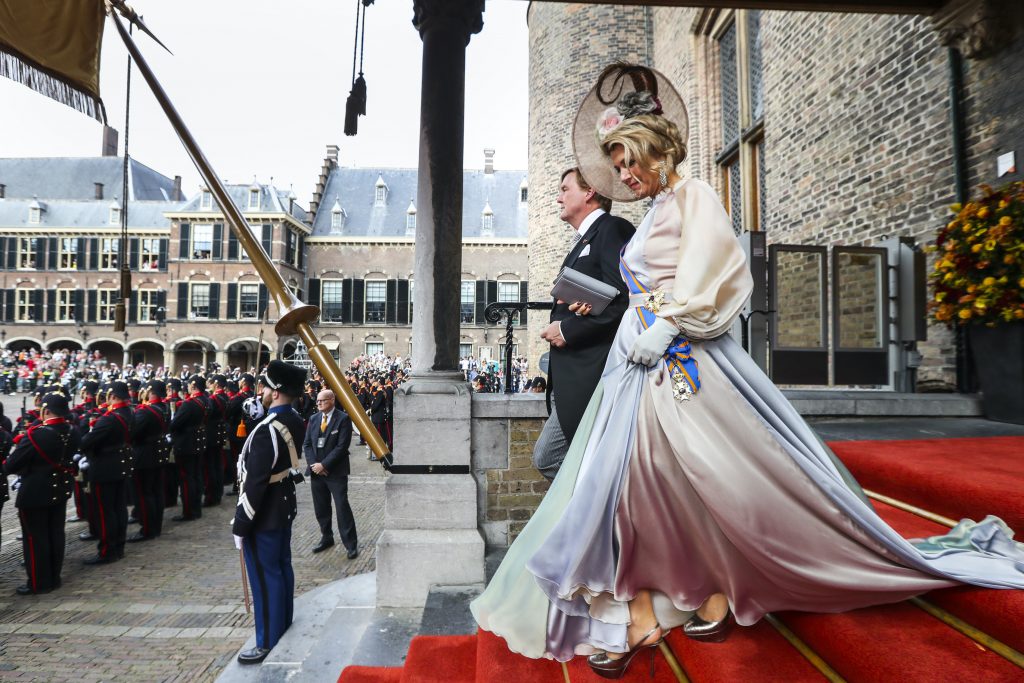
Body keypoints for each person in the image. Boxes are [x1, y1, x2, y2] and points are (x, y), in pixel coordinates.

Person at [471, 63, 1024, 674]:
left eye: (632, 162)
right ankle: (654, 607)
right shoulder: (653, 210)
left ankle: (685, 599)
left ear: (660, 151)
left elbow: (722, 275)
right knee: (646, 485)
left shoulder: (694, 197)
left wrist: (666, 325)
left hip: (684, 364)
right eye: (618, 166)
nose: (625, 175)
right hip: (636, 372)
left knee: (702, 479)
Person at [533, 167, 635, 481]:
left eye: (565, 189)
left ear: (589, 190)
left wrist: (567, 330)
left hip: (593, 373)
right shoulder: (584, 240)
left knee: (548, 458)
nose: (558, 197)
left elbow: (625, 298)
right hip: (572, 375)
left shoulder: (612, 228)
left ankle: (599, 514)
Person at [232, 360, 307, 664]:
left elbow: (255, 481)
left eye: (264, 386)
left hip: (263, 512)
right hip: (282, 504)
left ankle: (267, 639)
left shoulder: (267, 430)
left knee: (264, 577)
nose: (260, 390)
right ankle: (283, 621)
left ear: (276, 392)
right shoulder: (294, 420)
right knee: (281, 567)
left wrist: (241, 523)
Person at [4, 393, 78, 594]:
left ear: (45, 411)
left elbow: (12, 463)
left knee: (35, 538)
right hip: (60, 487)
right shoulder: (72, 430)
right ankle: (54, 577)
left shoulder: (37, 434)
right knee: (55, 533)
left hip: (35, 491)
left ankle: (38, 582)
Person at [79, 380, 133, 564]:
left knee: (105, 511)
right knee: (119, 508)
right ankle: (119, 546)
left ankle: (107, 551)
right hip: (121, 464)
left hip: (105, 467)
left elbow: (86, 441)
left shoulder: (110, 418)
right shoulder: (129, 412)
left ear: (113, 396)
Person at [301, 389, 358, 559]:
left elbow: (342, 447)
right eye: (317, 401)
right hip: (317, 472)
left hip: (335, 472)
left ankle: (350, 544)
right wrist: (314, 465)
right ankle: (326, 537)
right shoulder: (314, 419)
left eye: (322, 400)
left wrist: (324, 464)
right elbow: (307, 444)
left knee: (342, 507)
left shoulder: (343, 419)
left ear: (332, 400)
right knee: (321, 508)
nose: (318, 403)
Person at [129, 380, 170, 542]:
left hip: (145, 455)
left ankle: (147, 529)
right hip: (158, 452)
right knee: (156, 491)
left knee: (144, 494)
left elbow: (132, 433)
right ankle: (156, 526)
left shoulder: (145, 412)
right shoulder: (164, 408)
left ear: (150, 391)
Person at [169, 375, 208, 521]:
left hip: (186, 444)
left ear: (193, 386)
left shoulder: (189, 403)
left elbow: (174, 424)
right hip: (198, 442)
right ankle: (196, 508)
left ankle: (189, 511)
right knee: (196, 476)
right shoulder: (206, 399)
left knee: (186, 479)